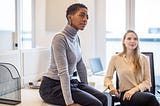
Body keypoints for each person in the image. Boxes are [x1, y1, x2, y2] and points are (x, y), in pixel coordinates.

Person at [39, 3, 108, 106]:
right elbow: (63, 71)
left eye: (87, 17)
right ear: (69, 17)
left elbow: (80, 65)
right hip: (52, 87)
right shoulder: (60, 38)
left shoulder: (76, 38)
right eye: (81, 15)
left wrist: (86, 87)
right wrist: (69, 103)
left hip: (70, 83)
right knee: (95, 104)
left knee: (103, 98)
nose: (85, 19)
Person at [104, 30, 160, 106]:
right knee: (151, 98)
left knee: (150, 98)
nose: (132, 41)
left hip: (142, 92)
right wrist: (111, 87)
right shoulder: (115, 58)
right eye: (129, 38)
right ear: (124, 41)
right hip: (126, 94)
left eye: (135, 39)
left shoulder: (144, 59)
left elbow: (148, 81)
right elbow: (107, 78)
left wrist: (133, 90)